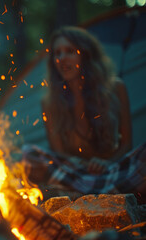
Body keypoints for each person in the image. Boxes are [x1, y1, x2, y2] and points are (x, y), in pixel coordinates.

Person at [22, 26, 146, 198]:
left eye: (70, 51)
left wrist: (105, 163)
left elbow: (127, 144)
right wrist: (84, 165)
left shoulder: (116, 88)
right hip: (77, 173)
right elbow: (59, 154)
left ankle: (97, 189)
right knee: (28, 154)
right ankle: (102, 190)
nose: (62, 58)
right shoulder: (49, 102)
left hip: (112, 169)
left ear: (86, 55)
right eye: (57, 53)